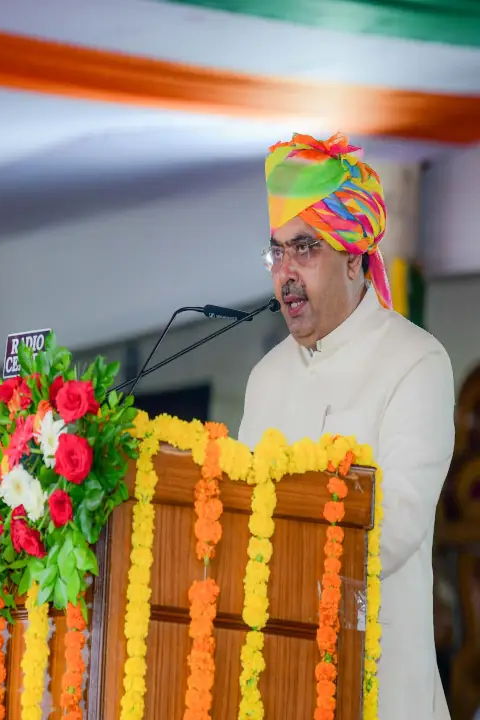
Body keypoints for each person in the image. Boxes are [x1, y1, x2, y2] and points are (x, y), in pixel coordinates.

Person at [239, 132, 454, 720]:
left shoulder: (415, 362)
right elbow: (234, 517)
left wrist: (272, 554)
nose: (285, 273)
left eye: (304, 249)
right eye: (276, 253)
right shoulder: (266, 377)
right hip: (278, 690)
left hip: (382, 694)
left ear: (356, 258)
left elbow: (395, 526)